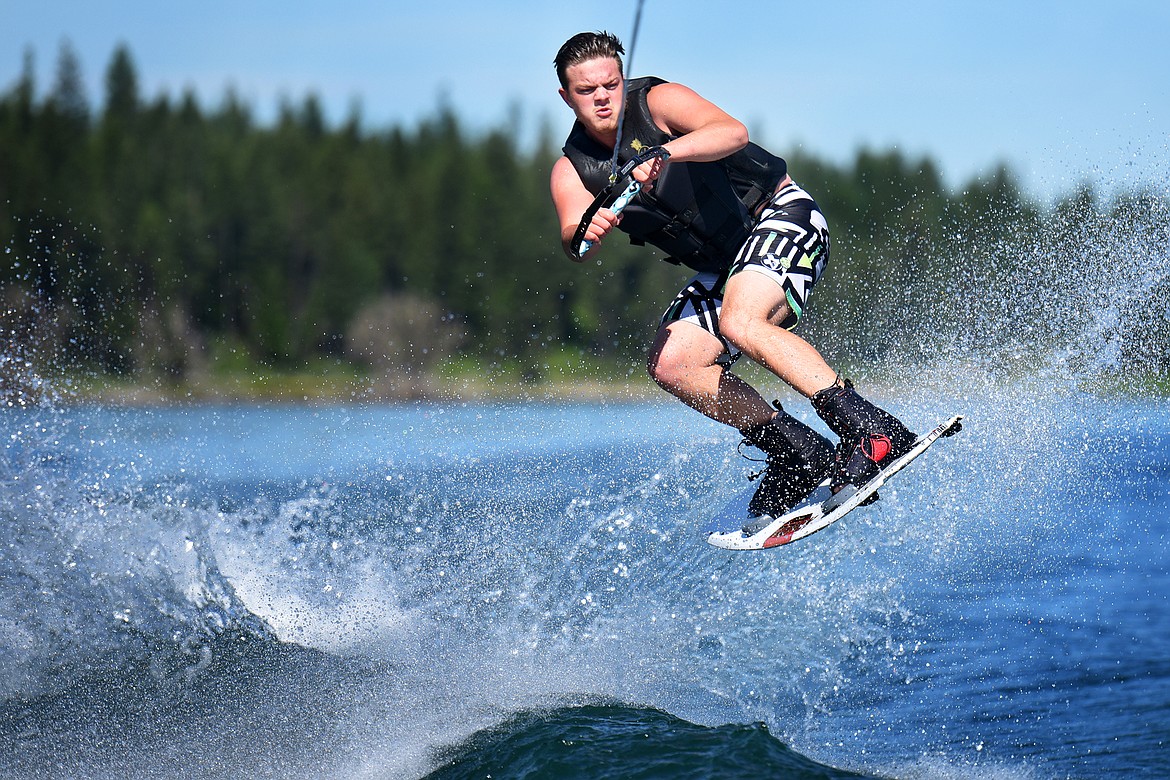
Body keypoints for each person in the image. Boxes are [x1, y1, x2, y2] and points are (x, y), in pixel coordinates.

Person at [550, 31, 917, 518]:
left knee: (740, 321)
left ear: (621, 76)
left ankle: (872, 430)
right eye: (586, 91)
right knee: (672, 364)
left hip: (781, 215)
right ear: (565, 96)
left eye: (610, 84)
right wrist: (587, 230)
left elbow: (732, 132)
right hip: (723, 266)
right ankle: (800, 455)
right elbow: (574, 235)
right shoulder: (572, 171)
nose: (602, 97)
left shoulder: (659, 102)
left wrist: (665, 154)